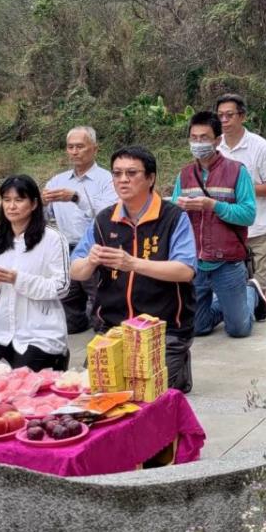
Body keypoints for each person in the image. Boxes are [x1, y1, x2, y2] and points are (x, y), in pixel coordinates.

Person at [70, 146, 198, 392]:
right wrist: (90, 261)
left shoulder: (173, 217)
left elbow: (185, 270)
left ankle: (177, 363)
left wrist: (132, 264)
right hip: (113, 327)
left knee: (145, 395)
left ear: (150, 178)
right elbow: (76, 271)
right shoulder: (104, 220)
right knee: (93, 391)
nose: (123, 180)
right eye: (117, 174)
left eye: (131, 173)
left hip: (164, 328)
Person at [172, 110, 266, 337]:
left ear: (217, 140)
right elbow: (174, 214)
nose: (198, 143)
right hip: (195, 261)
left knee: (239, 330)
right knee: (197, 327)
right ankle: (226, 303)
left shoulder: (237, 171)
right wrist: (179, 208)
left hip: (227, 261)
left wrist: (212, 205)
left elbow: (248, 214)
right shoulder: (184, 175)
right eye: (193, 138)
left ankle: (250, 293)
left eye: (204, 138)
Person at [0, 175, 71, 371]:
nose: (11, 206)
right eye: (6, 200)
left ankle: (58, 358)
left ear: (34, 204)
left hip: (40, 332)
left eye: (19, 200)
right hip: (1, 329)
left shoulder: (53, 239)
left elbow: (61, 287)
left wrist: (17, 279)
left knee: (22, 384)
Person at [43, 126, 117, 334]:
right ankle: (77, 319)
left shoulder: (108, 180)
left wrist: (76, 197)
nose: (74, 151)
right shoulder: (57, 181)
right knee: (68, 311)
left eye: (80, 146)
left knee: (101, 307)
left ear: (95, 149)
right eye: (70, 147)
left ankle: (102, 326)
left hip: (97, 249)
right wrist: (38, 203)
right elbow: (44, 216)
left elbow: (108, 213)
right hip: (65, 250)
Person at [216, 93, 266, 304]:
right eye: (220, 116)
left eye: (230, 115)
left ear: (242, 116)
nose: (224, 121)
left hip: (258, 230)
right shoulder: (215, 148)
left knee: (262, 292)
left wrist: (242, 189)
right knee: (233, 290)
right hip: (227, 230)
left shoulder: (260, 147)